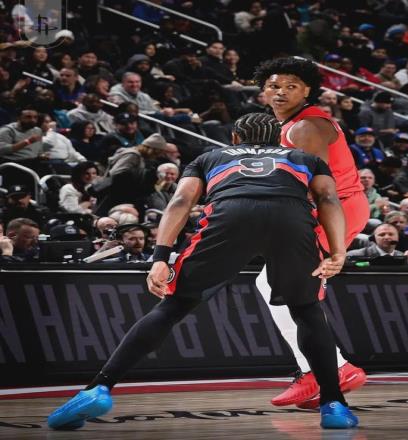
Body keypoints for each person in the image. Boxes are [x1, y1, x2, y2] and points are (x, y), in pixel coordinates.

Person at [47, 113, 359, 430]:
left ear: (235, 138)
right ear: (278, 140)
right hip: (290, 220)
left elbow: (181, 201)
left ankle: (99, 387)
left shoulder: (211, 156)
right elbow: (328, 198)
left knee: (173, 306)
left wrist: (160, 257)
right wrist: (337, 251)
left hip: (230, 215)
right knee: (306, 310)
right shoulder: (304, 158)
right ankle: (333, 404)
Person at [253, 57, 370, 409]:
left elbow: (314, 183)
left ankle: (327, 370)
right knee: (276, 285)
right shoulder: (291, 124)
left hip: (333, 208)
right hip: (335, 207)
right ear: (263, 90)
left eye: (291, 86)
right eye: (274, 86)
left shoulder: (305, 127)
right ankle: (325, 370)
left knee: (285, 286)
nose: (281, 92)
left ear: (307, 91)